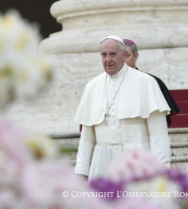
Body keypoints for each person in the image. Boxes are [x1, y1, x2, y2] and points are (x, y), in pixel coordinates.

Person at [74, 35, 171, 181]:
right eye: (104, 55)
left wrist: (162, 172)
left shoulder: (146, 82)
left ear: (124, 55)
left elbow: (159, 136)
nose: (108, 60)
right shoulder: (92, 86)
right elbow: (87, 138)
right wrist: (81, 172)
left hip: (137, 162)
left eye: (113, 54)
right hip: (101, 163)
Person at [123, 39, 180, 126]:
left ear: (136, 56)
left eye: (127, 56)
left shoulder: (151, 81)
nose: (123, 61)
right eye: (119, 56)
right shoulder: (102, 83)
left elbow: (162, 120)